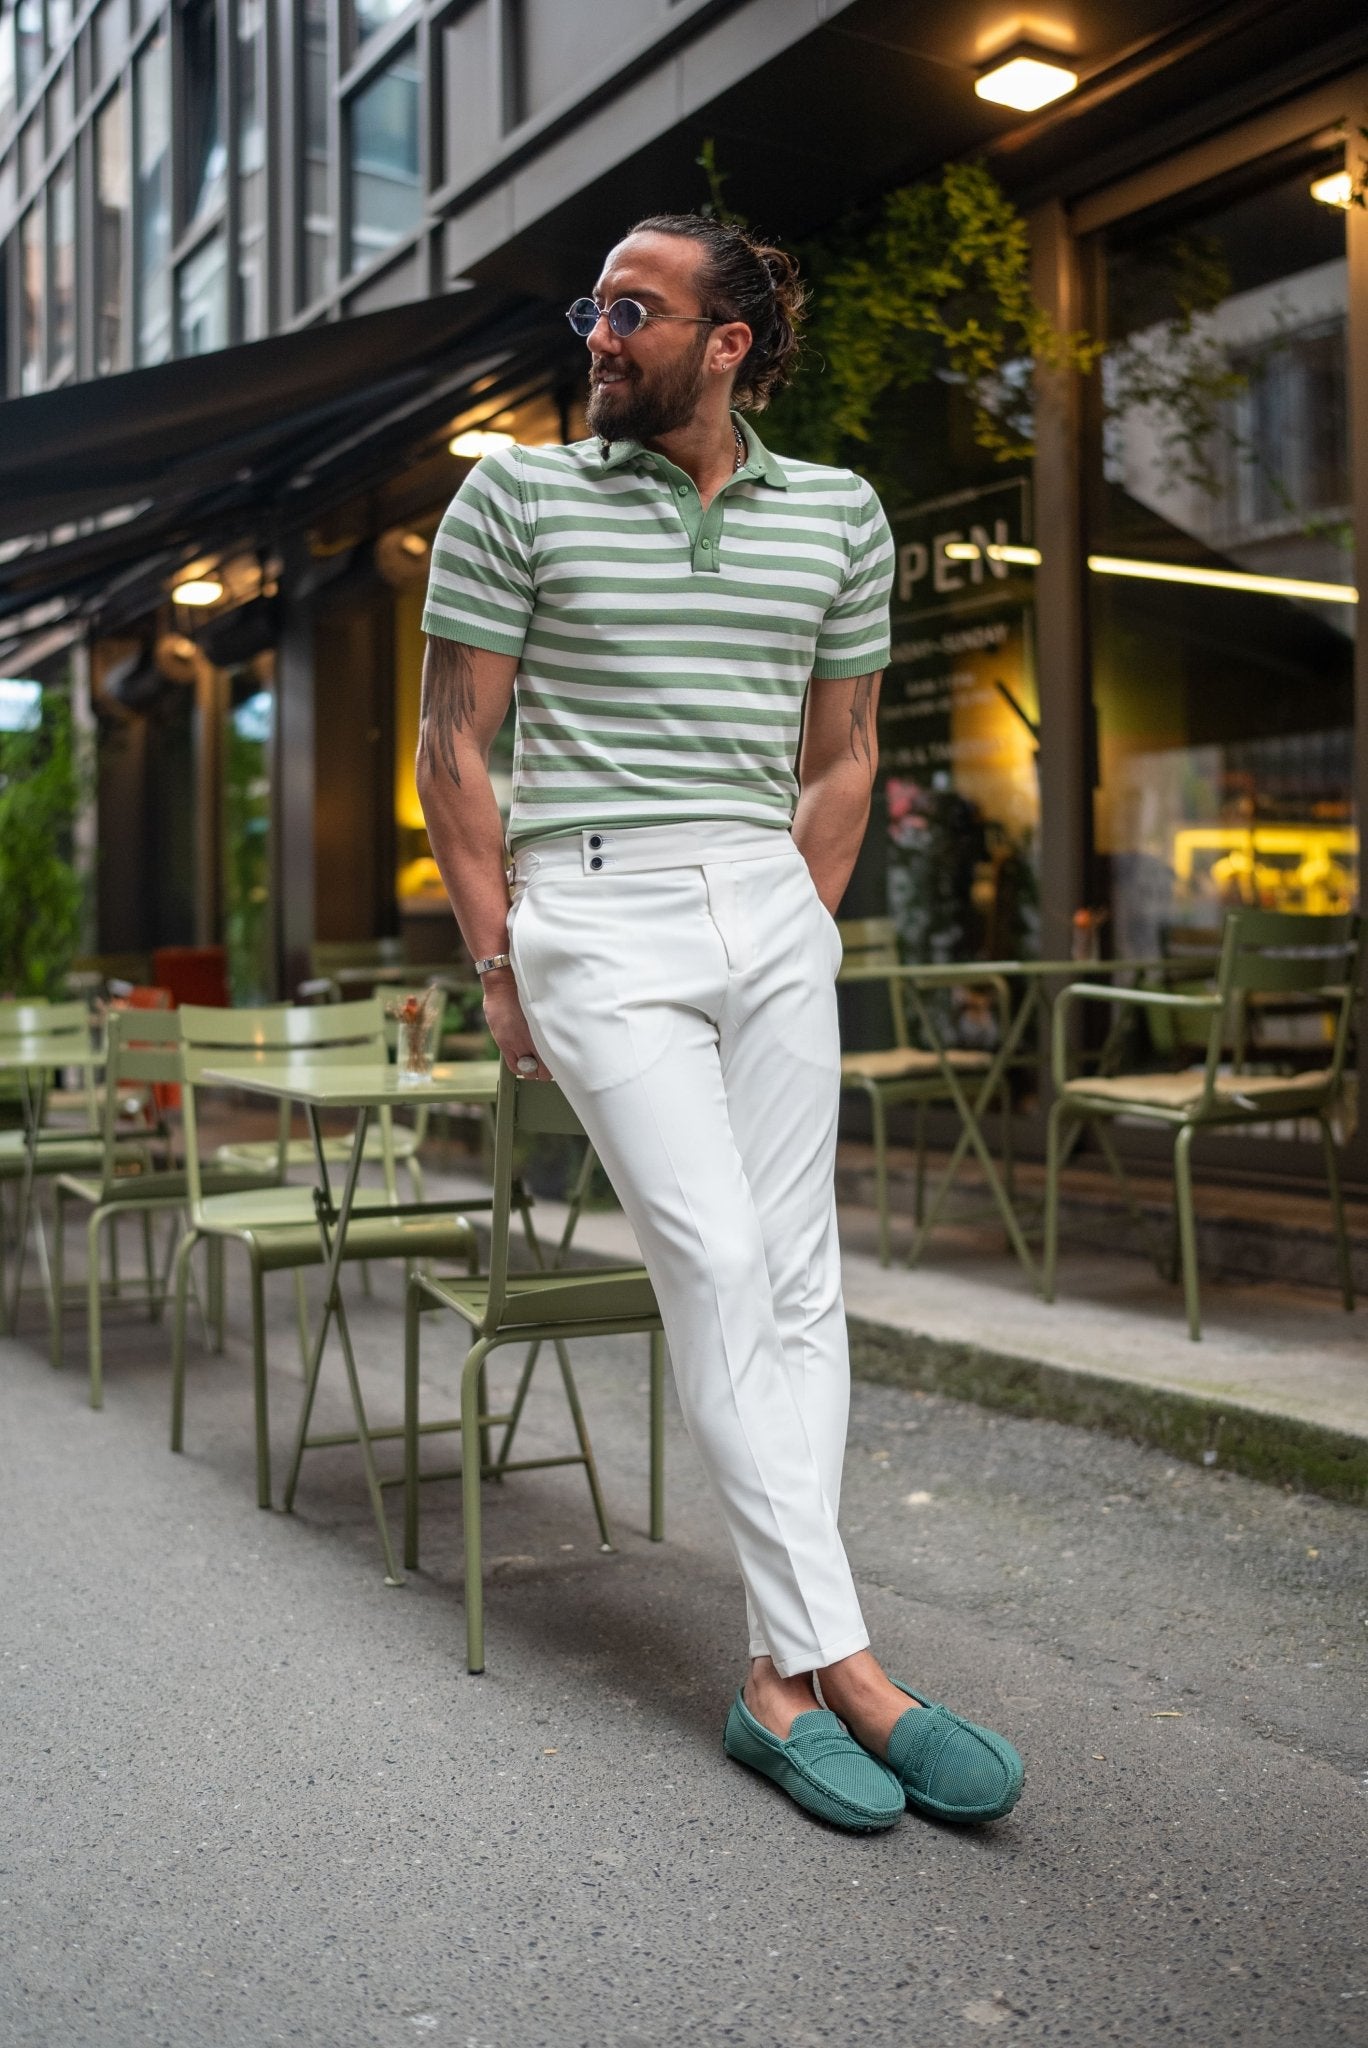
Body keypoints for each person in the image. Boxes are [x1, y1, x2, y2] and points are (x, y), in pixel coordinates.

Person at [416, 213, 1023, 1833]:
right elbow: (454, 747)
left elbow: (843, 750)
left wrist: (797, 923)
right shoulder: (517, 495)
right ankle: (857, 1669)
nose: (596, 337)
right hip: (594, 916)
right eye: (591, 309)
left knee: (803, 1278)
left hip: (765, 906)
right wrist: (501, 963)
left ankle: (773, 1687)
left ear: (729, 341)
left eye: (632, 311)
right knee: (716, 1263)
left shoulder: (835, 513)